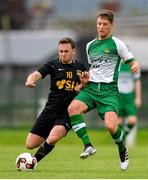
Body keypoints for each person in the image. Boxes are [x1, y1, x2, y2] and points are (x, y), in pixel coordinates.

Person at [68, 9, 140, 170]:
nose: (101, 27)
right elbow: (94, 68)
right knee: (73, 108)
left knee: (111, 126)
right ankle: (88, 145)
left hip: (109, 92)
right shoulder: (90, 46)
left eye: (105, 24)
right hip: (91, 88)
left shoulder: (117, 44)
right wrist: (84, 81)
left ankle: (122, 149)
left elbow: (131, 60)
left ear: (111, 26)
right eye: (99, 24)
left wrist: (135, 66)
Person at [25, 37, 86, 163]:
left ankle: (33, 162)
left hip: (67, 112)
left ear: (73, 51)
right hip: (50, 109)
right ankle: (51, 134)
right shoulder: (52, 65)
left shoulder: (80, 67)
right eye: (61, 51)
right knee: (30, 144)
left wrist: (82, 87)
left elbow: (88, 84)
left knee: (52, 138)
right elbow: (36, 74)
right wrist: (30, 80)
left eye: (66, 51)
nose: (63, 54)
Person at [118, 61, 142, 144]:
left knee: (132, 120)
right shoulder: (116, 64)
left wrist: (138, 98)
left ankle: (122, 137)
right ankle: (121, 144)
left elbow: (137, 81)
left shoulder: (133, 65)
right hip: (118, 96)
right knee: (118, 121)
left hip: (130, 96)